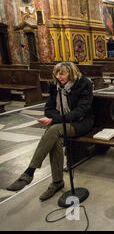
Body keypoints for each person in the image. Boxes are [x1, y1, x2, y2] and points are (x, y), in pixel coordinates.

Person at [7, 62, 94, 201]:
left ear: (71, 73)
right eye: (57, 74)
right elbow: (48, 108)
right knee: (56, 140)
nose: (58, 77)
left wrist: (55, 119)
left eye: (62, 74)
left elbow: (81, 111)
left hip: (81, 123)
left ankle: (30, 171)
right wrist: (58, 117)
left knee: (53, 129)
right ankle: (57, 182)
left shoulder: (84, 84)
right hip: (64, 122)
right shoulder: (55, 85)